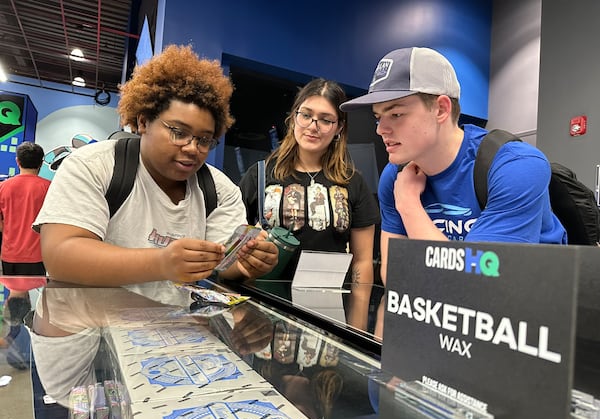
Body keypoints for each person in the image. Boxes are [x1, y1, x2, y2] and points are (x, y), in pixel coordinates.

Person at [339, 47, 567, 339]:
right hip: (448, 326)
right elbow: (397, 279)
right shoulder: (395, 176)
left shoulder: (516, 166)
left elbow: (478, 289)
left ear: (441, 109)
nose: (381, 129)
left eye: (395, 113)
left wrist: (410, 206)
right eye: (378, 117)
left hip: (529, 331)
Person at [33, 44, 278, 306]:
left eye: (205, 140)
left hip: (172, 335)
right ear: (143, 122)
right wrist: (161, 262)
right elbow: (61, 257)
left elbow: (225, 264)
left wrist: (248, 264)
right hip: (88, 330)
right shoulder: (93, 166)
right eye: (178, 132)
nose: (193, 148)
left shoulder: (219, 190)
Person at [239, 78, 380, 331]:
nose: (313, 126)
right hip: (263, 316)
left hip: (328, 319)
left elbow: (362, 262)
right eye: (306, 115)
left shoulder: (353, 183)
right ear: (294, 117)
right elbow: (235, 247)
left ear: (339, 128)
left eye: (326, 119)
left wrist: (357, 333)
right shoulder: (259, 175)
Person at [0, 141, 50, 275]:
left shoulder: (3, 187)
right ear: (40, 163)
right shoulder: (50, 188)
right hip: (38, 255)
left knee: (15, 293)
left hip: (10, 254)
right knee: (35, 292)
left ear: (18, 161)